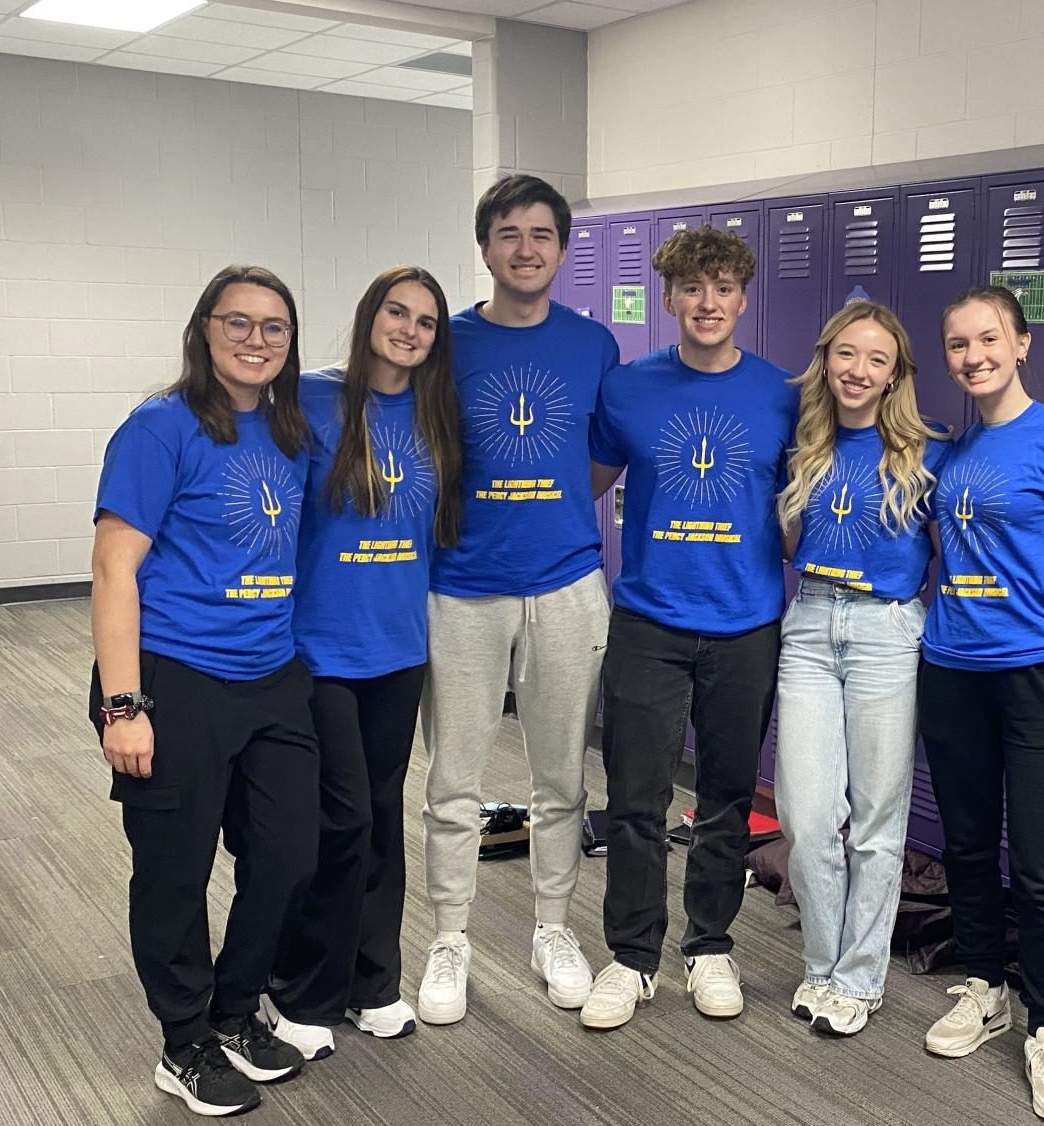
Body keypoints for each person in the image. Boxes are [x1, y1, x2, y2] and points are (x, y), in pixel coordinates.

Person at [89, 264, 315, 1117]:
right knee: (175, 871)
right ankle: (182, 1041)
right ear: (204, 329)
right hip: (173, 677)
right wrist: (123, 705)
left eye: (274, 327)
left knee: (289, 851)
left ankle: (234, 1010)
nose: (256, 340)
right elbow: (115, 568)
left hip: (271, 675)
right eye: (239, 323)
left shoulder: (290, 429)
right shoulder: (160, 430)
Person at [582, 225, 799, 1030]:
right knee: (635, 800)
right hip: (648, 621)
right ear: (670, 298)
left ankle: (709, 946)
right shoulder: (629, 388)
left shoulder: (781, 394)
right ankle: (632, 957)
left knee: (725, 798)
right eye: (692, 289)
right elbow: (585, 489)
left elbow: (795, 511)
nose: (707, 303)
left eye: (722, 288)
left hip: (746, 626)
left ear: (743, 298)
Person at [418, 175, 620, 1025]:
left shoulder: (593, 344)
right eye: (509, 233)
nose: (526, 248)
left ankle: (551, 928)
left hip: (567, 585)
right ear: (485, 246)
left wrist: (560, 511)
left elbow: (603, 458)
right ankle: (449, 940)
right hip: (461, 587)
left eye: (542, 233)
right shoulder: (445, 343)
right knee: (452, 780)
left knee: (561, 777)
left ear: (563, 248)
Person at [917, 286, 1044, 1122]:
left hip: (1040, 674)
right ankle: (983, 987)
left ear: (1021, 343)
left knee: (1039, 863)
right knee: (964, 845)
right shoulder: (947, 453)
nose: (973, 356)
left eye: (988, 339)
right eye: (958, 345)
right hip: (950, 669)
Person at [264, 267, 462, 1056]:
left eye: (424, 321)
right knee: (336, 819)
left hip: (397, 650)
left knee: (381, 817)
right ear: (368, 316)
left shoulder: (435, 414)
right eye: (396, 312)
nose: (408, 330)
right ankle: (302, 990)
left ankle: (373, 981)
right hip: (318, 651)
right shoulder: (311, 399)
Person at [773, 299, 948, 1036]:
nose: (858, 370)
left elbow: (955, 553)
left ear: (894, 374)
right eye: (846, 354)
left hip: (884, 630)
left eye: (876, 359)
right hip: (809, 624)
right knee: (807, 816)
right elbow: (785, 544)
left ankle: (857, 977)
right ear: (826, 359)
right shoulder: (802, 443)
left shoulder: (927, 453)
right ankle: (820, 964)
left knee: (877, 820)